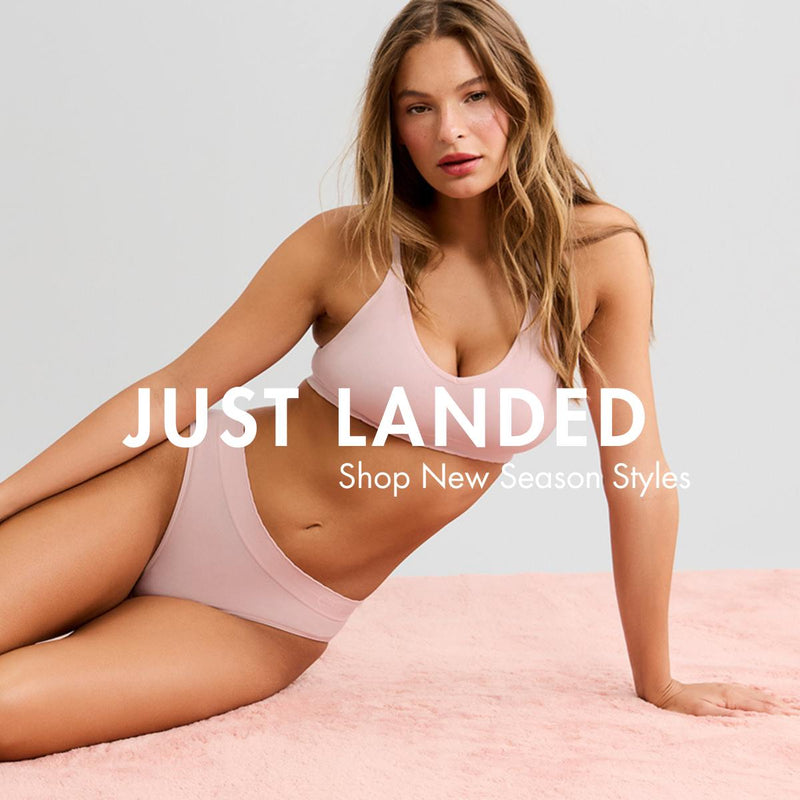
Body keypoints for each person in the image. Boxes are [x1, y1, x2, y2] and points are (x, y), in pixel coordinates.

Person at [0, 0, 796, 762]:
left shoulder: (598, 258)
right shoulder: (343, 246)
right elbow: (177, 388)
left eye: (475, 96)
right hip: (166, 498)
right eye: (419, 108)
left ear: (522, 96)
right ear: (395, 127)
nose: (451, 130)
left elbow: (638, 473)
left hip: (266, 617)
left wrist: (658, 680)